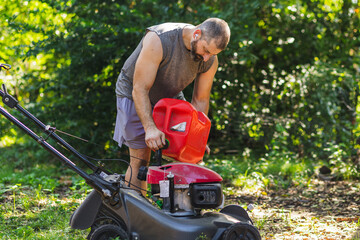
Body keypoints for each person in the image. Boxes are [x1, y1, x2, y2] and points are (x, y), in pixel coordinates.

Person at [113, 18, 231, 194]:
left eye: (212, 54)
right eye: (206, 50)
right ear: (196, 34)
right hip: (133, 92)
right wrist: (150, 128)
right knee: (140, 158)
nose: (206, 58)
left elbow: (201, 100)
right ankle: (134, 216)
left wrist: (196, 139)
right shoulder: (159, 39)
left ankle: (171, 213)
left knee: (184, 154)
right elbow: (140, 89)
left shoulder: (210, 59)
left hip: (170, 95)